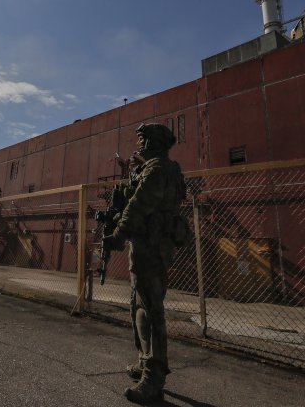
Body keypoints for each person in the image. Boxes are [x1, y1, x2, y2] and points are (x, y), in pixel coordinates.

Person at [110, 123, 185, 404]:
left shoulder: (157, 170)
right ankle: (145, 362)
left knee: (151, 310)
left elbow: (138, 205)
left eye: (142, 139)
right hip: (150, 244)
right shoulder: (167, 170)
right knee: (138, 304)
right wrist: (133, 172)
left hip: (151, 247)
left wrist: (118, 234)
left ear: (152, 142)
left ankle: (154, 379)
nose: (138, 143)